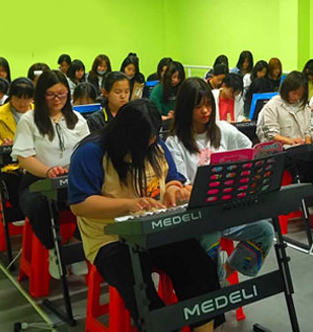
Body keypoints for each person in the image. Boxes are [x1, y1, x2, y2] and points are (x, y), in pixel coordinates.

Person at [68, 99, 219, 331]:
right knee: (139, 288)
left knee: (199, 267)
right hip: (110, 239)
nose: (150, 144)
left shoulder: (155, 144)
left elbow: (172, 177)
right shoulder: (91, 152)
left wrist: (174, 189)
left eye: (152, 138)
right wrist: (129, 205)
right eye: (143, 142)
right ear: (125, 136)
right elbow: (80, 204)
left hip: (156, 228)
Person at [165, 78, 273, 283]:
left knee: (265, 231)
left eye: (208, 104)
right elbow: (181, 186)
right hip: (198, 215)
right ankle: (213, 284)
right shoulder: (175, 142)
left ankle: (223, 274)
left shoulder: (223, 129)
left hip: (227, 208)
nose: (205, 111)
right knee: (211, 236)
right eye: (198, 107)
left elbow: (248, 150)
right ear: (185, 109)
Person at [12, 71, 90, 278]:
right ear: (41, 95)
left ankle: (77, 243)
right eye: (51, 94)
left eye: (62, 94)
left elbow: (88, 151)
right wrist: (48, 171)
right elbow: (24, 158)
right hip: (38, 180)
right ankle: (53, 249)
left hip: (72, 179)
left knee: (99, 196)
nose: (57, 99)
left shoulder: (78, 119)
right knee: (37, 205)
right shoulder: (29, 120)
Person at [257, 71, 313, 188]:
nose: (296, 97)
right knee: (297, 163)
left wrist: (309, 145)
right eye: (294, 93)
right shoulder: (272, 106)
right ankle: (298, 191)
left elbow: (308, 130)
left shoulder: (304, 107)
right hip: (282, 150)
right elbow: (271, 134)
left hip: (300, 149)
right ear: (286, 89)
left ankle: (308, 190)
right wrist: (290, 141)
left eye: (300, 94)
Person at [0, 78, 34, 209]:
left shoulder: (40, 113)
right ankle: (21, 213)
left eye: (27, 99)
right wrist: (1, 144)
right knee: (14, 183)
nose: (22, 103)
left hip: (37, 161)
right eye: (17, 99)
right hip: (9, 166)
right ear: (10, 96)